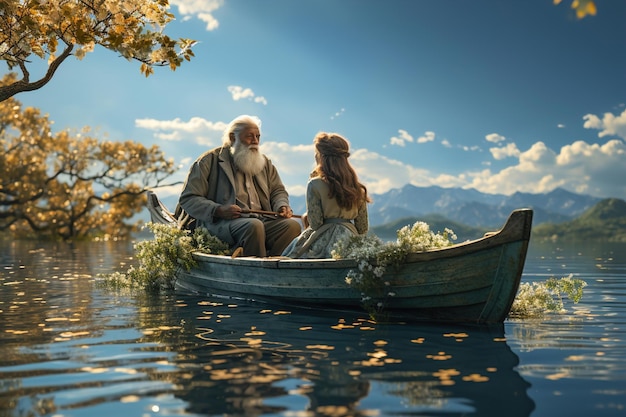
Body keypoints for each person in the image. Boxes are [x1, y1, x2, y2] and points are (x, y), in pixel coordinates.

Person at [177, 115, 301, 257]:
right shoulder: (208, 160)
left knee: (292, 226)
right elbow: (188, 198)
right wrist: (218, 210)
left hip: (262, 221)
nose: (255, 141)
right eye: (249, 136)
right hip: (221, 224)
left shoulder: (265, 162)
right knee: (253, 226)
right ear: (233, 138)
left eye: (258, 136)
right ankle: (256, 272)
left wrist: (282, 205)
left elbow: (277, 190)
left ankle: (277, 268)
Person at [282, 132, 370, 258]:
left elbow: (316, 223)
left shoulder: (315, 184)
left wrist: (305, 218)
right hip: (350, 240)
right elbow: (362, 228)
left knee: (292, 255)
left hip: (323, 238)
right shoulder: (358, 188)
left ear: (321, 156)